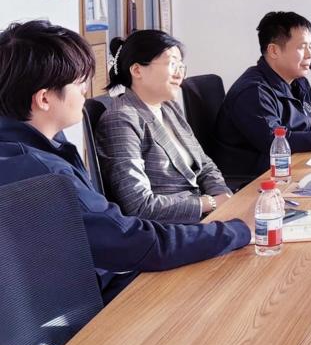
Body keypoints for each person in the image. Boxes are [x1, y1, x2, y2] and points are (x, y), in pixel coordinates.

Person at [0, 21, 249, 303]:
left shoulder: (38, 146)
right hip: (89, 299)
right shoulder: (48, 173)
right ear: (44, 99)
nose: (85, 90)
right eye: (79, 83)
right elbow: (130, 240)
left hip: (72, 286)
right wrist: (238, 229)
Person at [214, 11, 311, 181]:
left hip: (293, 166)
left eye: (310, 46)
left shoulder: (297, 80)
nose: (310, 55)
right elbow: (276, 142)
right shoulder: (253, 92)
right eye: (302, 47)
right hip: (255, 179)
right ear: (274, 51)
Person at [96, 30, 232, 223]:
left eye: (181, 66)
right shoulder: (121, 119)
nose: (180, 74)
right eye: (172, 64)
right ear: (137, 70)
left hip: (205, 216)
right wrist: (209, 203)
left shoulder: (168, 107)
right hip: (168, 228)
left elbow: (204, 165)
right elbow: (139, 206)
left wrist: (223, 198)